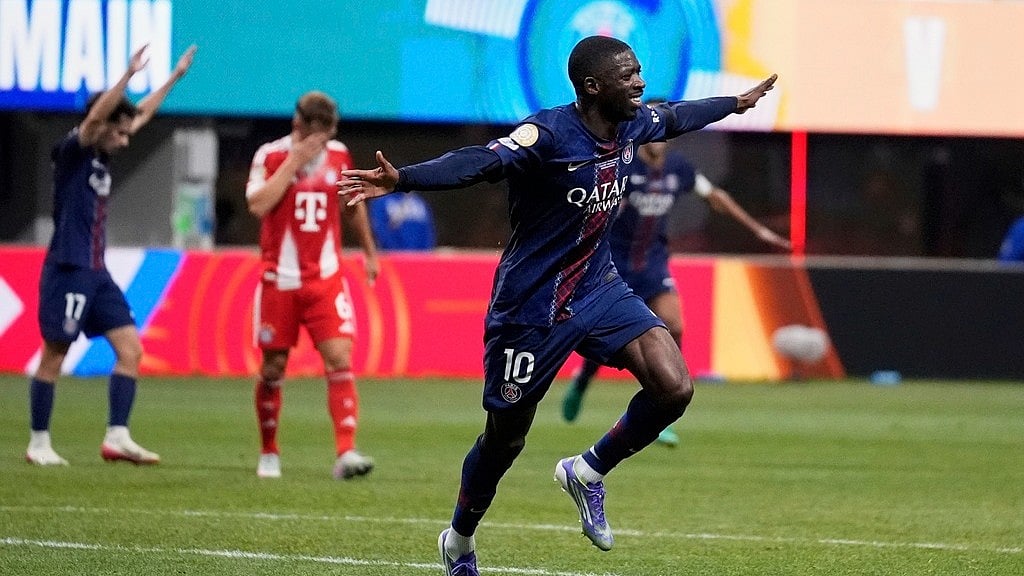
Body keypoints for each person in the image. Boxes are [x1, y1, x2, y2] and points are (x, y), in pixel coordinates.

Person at [338, 35, 776, 575]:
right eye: (629, 74)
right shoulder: (547, 134)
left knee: (674, 386)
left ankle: (588, 471)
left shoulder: (632, 125)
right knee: (505, 440)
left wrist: (734, 103)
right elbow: (480, 161)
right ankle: (458, 540)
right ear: (593, 87)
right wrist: (404, 179)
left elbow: (677, 116)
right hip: (530, 308)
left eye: (640, 71)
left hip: (599, 289)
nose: (640, 82)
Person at [562, 127, 792, 445]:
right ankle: (583, 382)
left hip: (654, 264)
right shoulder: (625, 167)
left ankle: (662, 402)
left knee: (674, 324)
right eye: (653, 135)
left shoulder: (677, 167)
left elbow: (715, 196)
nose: (659, 142)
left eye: (663, 136)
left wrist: (758, 230)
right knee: (608, 338)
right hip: (616, 266)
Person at [25, 43, 197, 466]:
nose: (124, 139)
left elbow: (140, 117)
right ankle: (38, 442)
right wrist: (128, 75)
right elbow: (101, 117)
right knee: (55, 355)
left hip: (96, 272)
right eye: (117, 132)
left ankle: (117, 437)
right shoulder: (74, 152)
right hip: (67, 267)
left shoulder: (102, 151)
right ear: (99, 126)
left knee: (131, 350)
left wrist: (173, 78)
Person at [246, 91, 379, 480]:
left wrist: (370, 253)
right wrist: (295, 162)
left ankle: (346, 452)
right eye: (314, 133)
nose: (321, 141)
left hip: (325, 278)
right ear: (298, 124)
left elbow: (354, 204)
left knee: (339, 356)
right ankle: (269, 451)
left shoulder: (340, 156)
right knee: (273, 366)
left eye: (327, 134)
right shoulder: (270, 156)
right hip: (279, 280)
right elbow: (257, 204)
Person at [368, 190, 437, 250]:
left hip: (419, 259)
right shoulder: (382, 201)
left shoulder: (419, 203)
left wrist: (424, 254)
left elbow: (428, 232)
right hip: (393, 258)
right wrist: (395, 251)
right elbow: (380, 231)